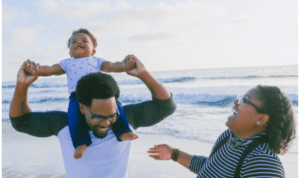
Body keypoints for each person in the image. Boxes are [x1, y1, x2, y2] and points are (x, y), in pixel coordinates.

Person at [10, 55, 177, 178]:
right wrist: (22, 86)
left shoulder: (125, 119)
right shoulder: (63, 123)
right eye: (97, 117)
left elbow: (166, 106)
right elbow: (21, 121)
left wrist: (143, 74)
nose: (106, 123)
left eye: (111, 116)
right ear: (82, 107)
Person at [24, 28, 138, 159]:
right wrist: (35, 69)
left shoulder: (96, 60)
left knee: (116, 107)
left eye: (84, 41)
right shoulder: (67, 63)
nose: (79, 42)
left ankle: (123, 131)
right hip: (76, 96)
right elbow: (50, 69)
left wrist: (125, 66)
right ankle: (81, 142)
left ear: (93, 51)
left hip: (98, 93)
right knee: (73, 117)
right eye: (74, 42)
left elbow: (112, 66)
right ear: (70, 52)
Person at [148, 85, 296, 177]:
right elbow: (211, 169)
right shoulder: (229, 137)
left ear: (261, 119)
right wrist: (174, 154)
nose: (236, 102)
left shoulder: (262, 163)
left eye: (245, 100)